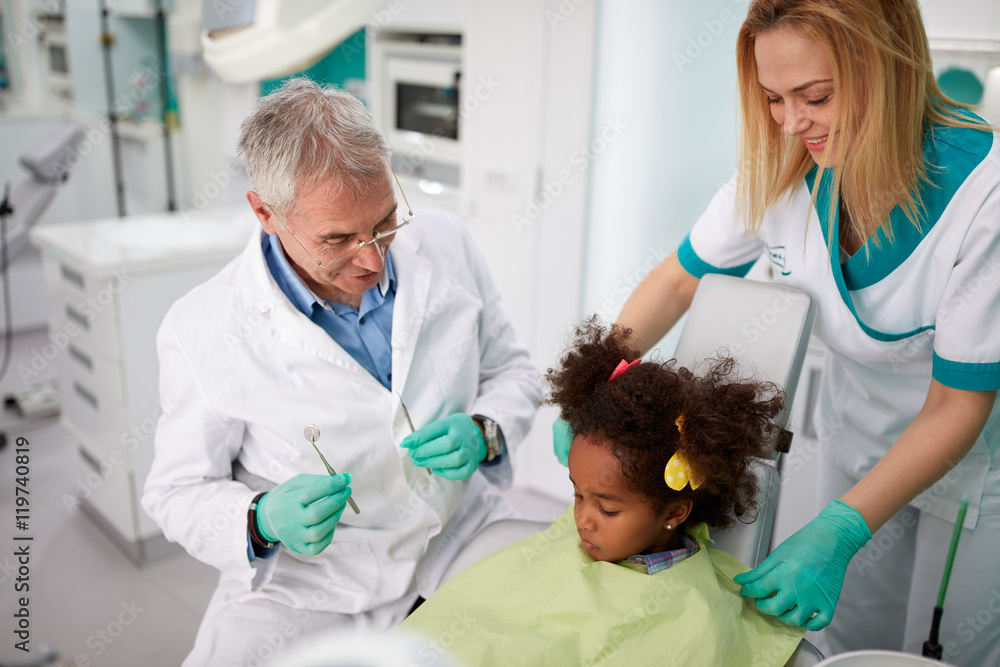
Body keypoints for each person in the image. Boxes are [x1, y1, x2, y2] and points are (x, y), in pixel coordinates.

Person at [552, 1, 1000, 663]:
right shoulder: (786, 164)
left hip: (972, 472)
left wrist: (840, 531)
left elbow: (957, 403)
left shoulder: (984, 196)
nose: (790, 123)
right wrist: (599, 382)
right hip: (855, 441)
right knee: (840, 642)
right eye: (772, 98)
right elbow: (678, 281)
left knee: (935, 653)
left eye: (815, 97)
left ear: (889, 70)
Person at [141, 78, 540, 666]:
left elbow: (513, 370)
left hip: (457, 534)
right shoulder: (202, 328)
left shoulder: (446, 242)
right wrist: (260, 519)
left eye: (384, 221)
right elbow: (175, 492)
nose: (373, 258)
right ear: (265, 213)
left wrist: (485, 430)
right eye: (338, 239)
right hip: (312, 585)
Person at [401, 321, 806, 666]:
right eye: (577, 495)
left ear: (674, 512)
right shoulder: (575, 534)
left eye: (607, 509)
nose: (581, 519)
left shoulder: (697, 611)